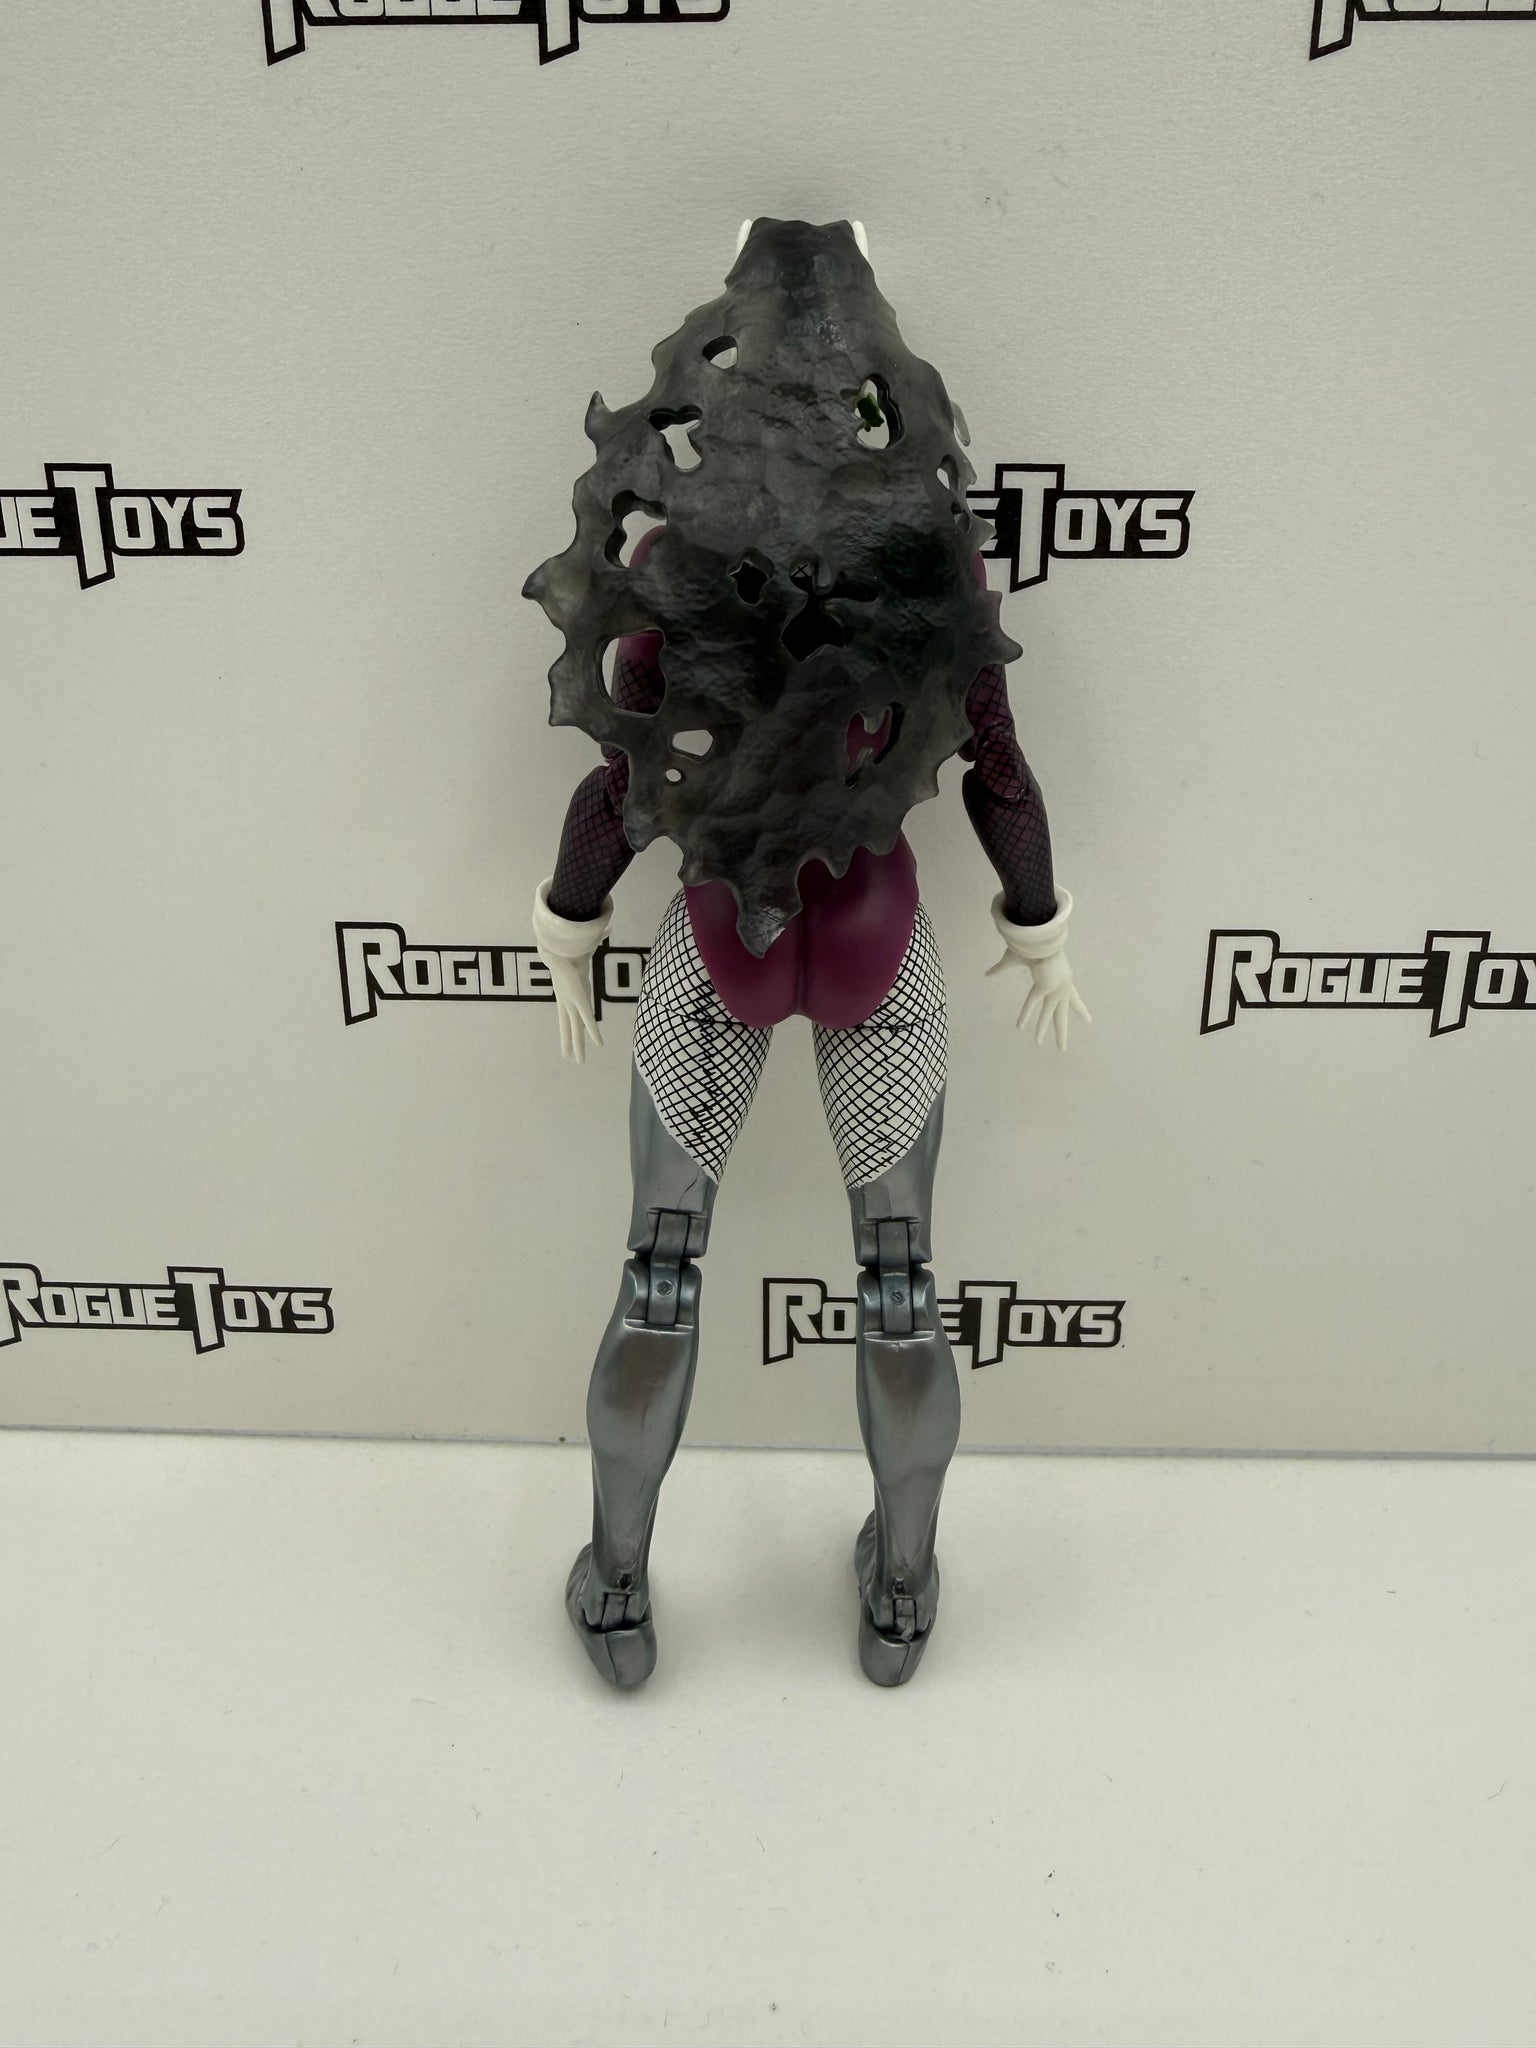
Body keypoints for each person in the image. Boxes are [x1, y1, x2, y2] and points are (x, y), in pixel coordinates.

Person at [525, 218, 1089, 1687]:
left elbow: (621, 785)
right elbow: (997, 769)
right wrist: (1036, 922)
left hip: (722, 930)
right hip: (872, 928)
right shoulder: (930, 559)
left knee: (662, 1268)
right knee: (898, 1276)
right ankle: (902, 1588)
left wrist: (573, 916)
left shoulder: (677, 558)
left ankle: (617, 1580)